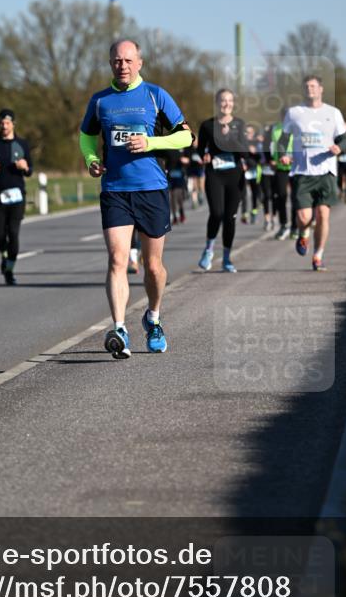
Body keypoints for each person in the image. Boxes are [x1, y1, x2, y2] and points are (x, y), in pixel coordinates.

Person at [79, 40, 191, 359]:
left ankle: (153, 318)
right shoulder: (100, 101)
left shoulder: (156, 95)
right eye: (117, 61)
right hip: (114, 189)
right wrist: (90, 159)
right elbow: (86, 135)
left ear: (139, 63)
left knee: (153, 267)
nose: (122, 66)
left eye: (128, 60)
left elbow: (186, 135)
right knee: (117, 259)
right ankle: (119, 328)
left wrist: (151, 142)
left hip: (151, 189)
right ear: (110, 63)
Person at [279, 75, 346, 272]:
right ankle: (303, 233)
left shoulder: (333, 113)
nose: (310, 89)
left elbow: (345, 138)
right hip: (302, 170)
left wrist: (339, 147)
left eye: (313, 86)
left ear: (321, 89)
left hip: (326, 170)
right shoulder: (294, 113)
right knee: (303, 217)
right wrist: (283, 154)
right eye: (306, 86)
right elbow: (284, 139)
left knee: (323, 215)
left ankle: (318, 256)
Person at [196, 89, 247, 273]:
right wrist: (204, 156)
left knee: (230, 218)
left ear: (233, 103)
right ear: (217, 102)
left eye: (230, 100)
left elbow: (244, 151)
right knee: (216, 213)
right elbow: (200, 150)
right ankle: (209, 250)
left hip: (234, 176)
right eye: (223, 100)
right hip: (215, 174)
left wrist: (230, 137)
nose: (227, 104)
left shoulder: (239, 124)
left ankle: (226, 258)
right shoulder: (207, 125)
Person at [0, 109, 32, 285]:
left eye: (7, 123)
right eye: (2, 123)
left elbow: (30, 170)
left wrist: (25, 167)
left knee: (14, 233)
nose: (4, 126)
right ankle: (4, 255)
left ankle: (9, 269)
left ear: (13, 124)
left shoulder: (22, 144)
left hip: (17, 196)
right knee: (0, 235)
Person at [266, 113, 294, 240]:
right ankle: (284, 225)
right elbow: (268, 145)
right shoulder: (275, 128)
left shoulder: (297, 127)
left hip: (295, 167)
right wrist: (270, 159)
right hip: (280, 167)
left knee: (296, 198)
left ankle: (295, 227)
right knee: (281, 197)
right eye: (284, 116)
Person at [240, 124, 261, 225]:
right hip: (244, 170)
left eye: (250, 132)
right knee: (243, 193)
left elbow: (262, 156)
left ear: (253, 133)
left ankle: (254, 212)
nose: (248, 134)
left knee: (254, 192)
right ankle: (244, 213)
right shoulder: (242, 142)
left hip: (255, 170)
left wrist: (256, 151)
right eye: (246, 132)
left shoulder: (258, 142)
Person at [162, 147, 188, 224]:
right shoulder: (166, 149)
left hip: (179, 175)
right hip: (170, 175)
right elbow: (163, 160)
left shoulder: (182, 149)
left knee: (179, 196)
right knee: (172, 197)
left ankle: (181, 212)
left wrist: (186, 160)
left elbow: (189, 158)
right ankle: (175, 217)